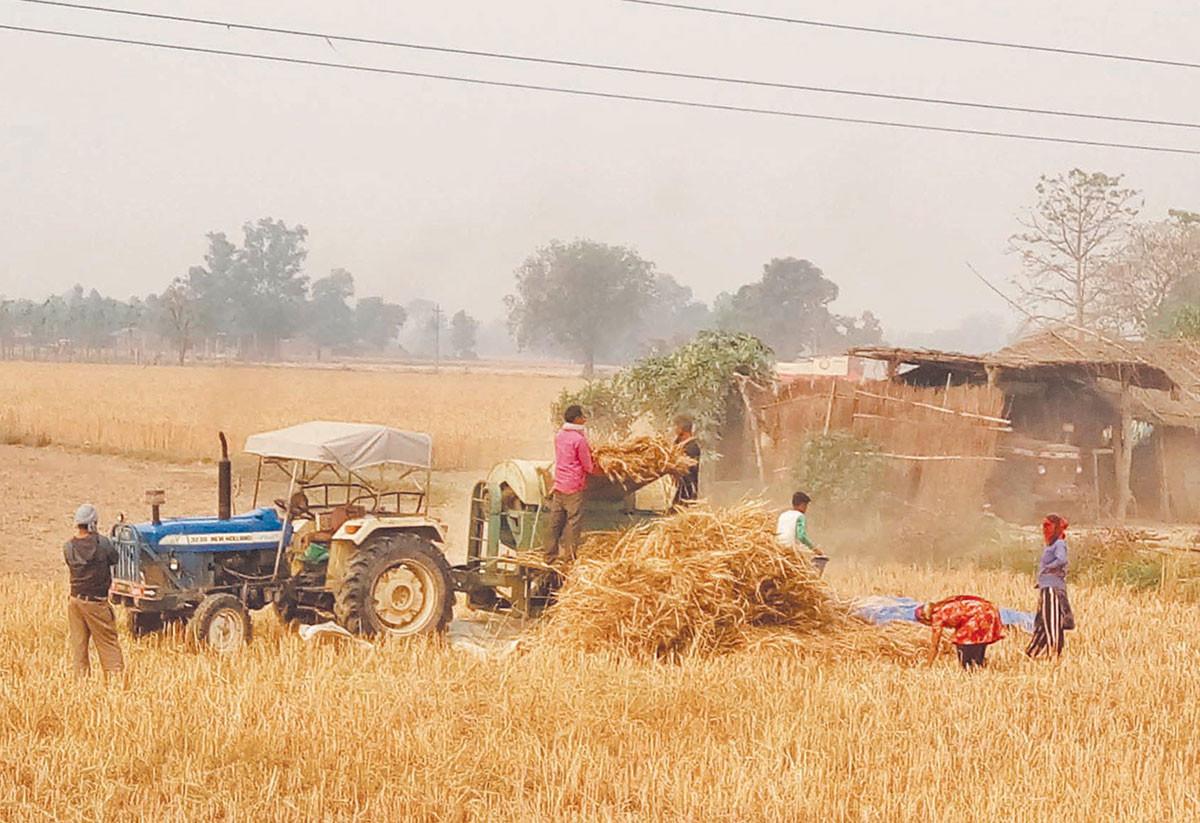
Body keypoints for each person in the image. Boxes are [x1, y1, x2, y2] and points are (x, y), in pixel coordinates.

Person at [64, 504, 125, 682]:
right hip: (96, 603)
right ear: (93, 523)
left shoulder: (68, 547)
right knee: (108, 645)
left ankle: (81, 687)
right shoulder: (103, 544)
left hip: (75, 600)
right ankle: (116, 686)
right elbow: (115, 558)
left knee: (79, 647)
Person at [546, 404, 596, 565]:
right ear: (576, 419)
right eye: (582, 417)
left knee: (555, 521)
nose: (584, 419)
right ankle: (569, 557)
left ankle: (549, 555)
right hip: (574, 486)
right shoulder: (579, 440)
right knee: (573, 522)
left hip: (559, 484)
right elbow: (587, 465)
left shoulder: (559, 435)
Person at [1027, 513, 1074, 660]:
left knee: (1052, 621)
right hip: (1046, 587)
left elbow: (1061, 560)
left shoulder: (1059, 543)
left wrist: (1048, 568)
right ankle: (1032, 653)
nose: (1044, 529)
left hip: (1052, 588)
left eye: (1048, 526)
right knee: (1042, 621)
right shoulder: (1052, 544)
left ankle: (1053, 654)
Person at [915, 595, 1005, 669]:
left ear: (925, 618)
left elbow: (935, 646)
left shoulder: (937, 617)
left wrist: (928, 664)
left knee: (964, 643)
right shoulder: (941, 606)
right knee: (978, 640)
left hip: (978, 614)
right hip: (988, 610)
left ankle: (971, 667)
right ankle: (978, 663)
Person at [776, 491, 827, 573]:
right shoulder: (799, 516)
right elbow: (801, 536)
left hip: (778, 551)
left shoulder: (783, 515)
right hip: (791, 552)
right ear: (803, 505)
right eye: (806, 506)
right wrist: (815, 549)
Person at [672, 414, 702, 504]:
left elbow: (687, 468)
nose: (674, 429)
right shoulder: (680, 443)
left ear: (682, 429)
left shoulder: (692, 447)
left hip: (688, 487)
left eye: (676, 426)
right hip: (681, 486)